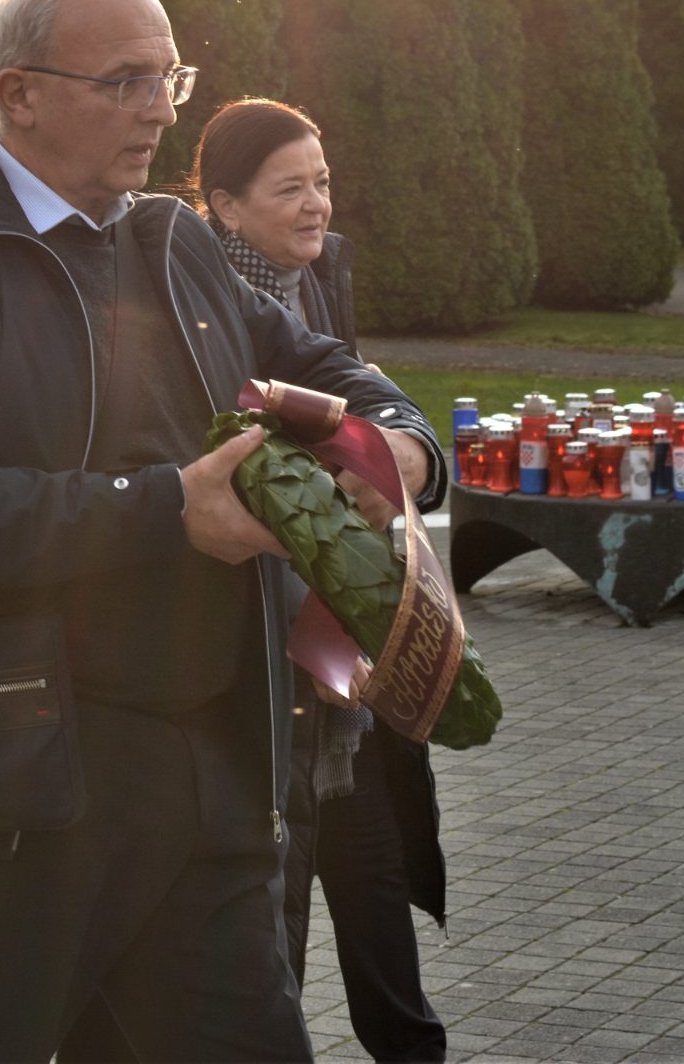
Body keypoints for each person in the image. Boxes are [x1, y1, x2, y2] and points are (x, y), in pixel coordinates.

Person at [0, 0, 446, 1062]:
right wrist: (164, 508)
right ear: (20, 94)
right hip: (19, 790)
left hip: (210, 770)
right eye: (126, 81)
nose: (160, 111)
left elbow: (321, 365)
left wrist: (405, 446)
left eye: (168, 78)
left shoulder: (171, 240)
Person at [194, 96, 448, 1062]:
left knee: (375, 880)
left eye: (324, 181)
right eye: (289, 188)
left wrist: (406, 450)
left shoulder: (319, 282)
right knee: (276, 918)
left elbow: (368, 406)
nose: (315, 205)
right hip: (269, 664)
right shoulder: (202, 301)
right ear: (224, 205)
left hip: (350, 660)